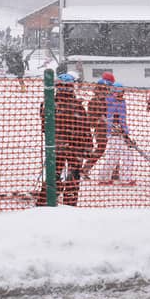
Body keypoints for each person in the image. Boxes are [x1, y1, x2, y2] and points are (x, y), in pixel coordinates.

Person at [39, 73, 89, 206]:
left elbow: (45, 126)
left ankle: (47, 200)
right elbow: (85, 128)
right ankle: (68, 201)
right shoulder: (74, 106)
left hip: (58, 145)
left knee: (54, 173)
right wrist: (87, 145)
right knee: (71, 174)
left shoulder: (50, 104)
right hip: (73, 147)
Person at [92, 79, 137, 185]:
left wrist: (125, 131)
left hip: (120, 132)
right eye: (120, 92)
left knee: (116, 155)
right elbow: (108, 115)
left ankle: (105, 178)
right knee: (125, 155)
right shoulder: (109, 101)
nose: (122, 95)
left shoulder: (121, 102)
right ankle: (124, 179)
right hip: (114, 132)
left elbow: (122, 118)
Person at [82, 75, 111, 174]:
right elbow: (90, 120)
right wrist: (100, 121)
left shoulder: (108, 101)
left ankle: (114, 173)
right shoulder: (93, 102)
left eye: (106, 90)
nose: (105, 92)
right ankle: (86, 169)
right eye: (103, 90)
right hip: (101, 129)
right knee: (101, 149)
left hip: (112, 129)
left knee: (115, 149)